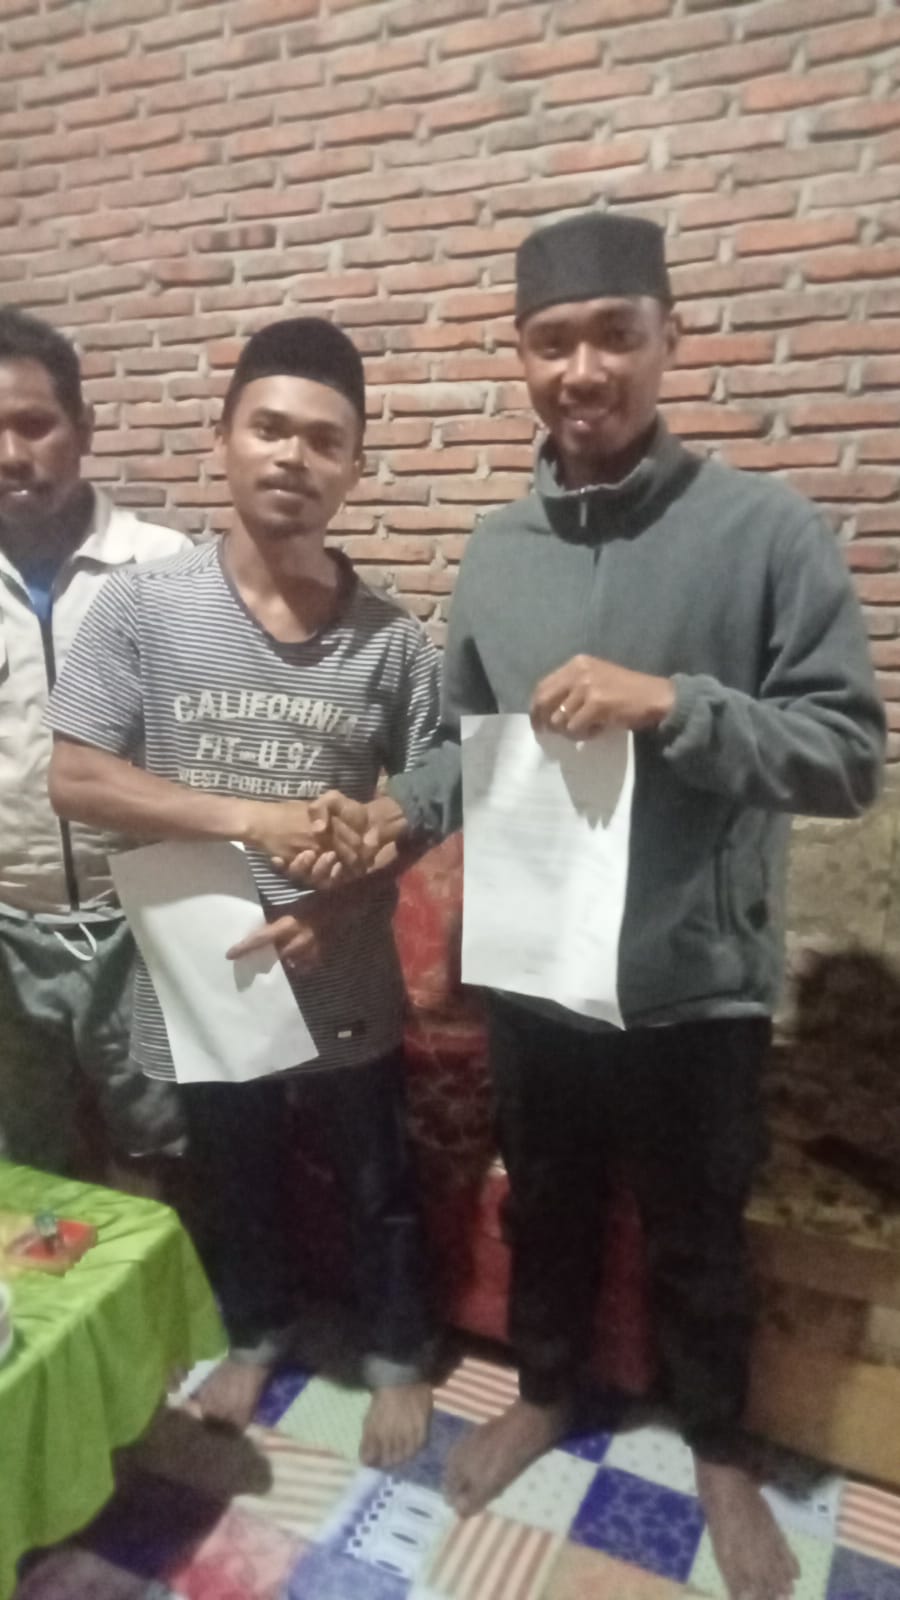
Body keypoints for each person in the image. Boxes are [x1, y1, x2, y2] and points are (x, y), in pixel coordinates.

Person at [291, 214, 886, 1600]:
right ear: (520, 355)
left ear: (670, 338)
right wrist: (395, 813)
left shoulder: (766, 532)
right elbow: (465, 749)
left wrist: (675, 703)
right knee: (549, 1206)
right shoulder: (498, 551)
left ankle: (718, 1444)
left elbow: (847, 753)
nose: (583, 369)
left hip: (698, 980)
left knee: (697, 1230)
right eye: (552, 341)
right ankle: (548, 1391)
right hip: (536, 969)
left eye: (616, 334)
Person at [46, 316, 439, 1464]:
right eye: (269, 427)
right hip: (204, 963)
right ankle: (257, 1331)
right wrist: (253, 819)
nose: (293, 457)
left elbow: (432, 801)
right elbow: (77, 776)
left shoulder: (392, 641)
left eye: (325, 440)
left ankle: (398, 1354)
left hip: (342, 962)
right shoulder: (145, 607)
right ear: (222, 439)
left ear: (354, 468)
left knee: (378, 1179)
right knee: (235, 1169)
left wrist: (339, 904)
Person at [0, 306, 187, 1184]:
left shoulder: (163, 568)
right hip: (8, 926)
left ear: (83, 427)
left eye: (34, 424)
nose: (10, 454)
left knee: (161, 1155)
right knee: (29, 1166)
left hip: (140, 923)